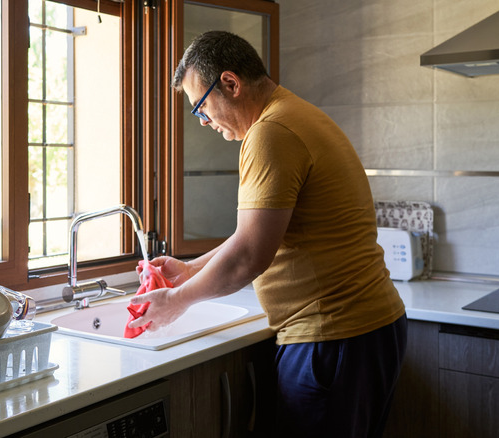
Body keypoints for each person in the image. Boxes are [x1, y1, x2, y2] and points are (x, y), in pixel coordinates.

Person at [127, 30, 407, 437]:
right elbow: (256, 234)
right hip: (361, 331)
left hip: (333, 335)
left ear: (230, 83)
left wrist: (174, 300)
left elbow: (247, 257)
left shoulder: (270, 132)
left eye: (201, 108)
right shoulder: (295, 114)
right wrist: (189, 270)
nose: (204, 122)